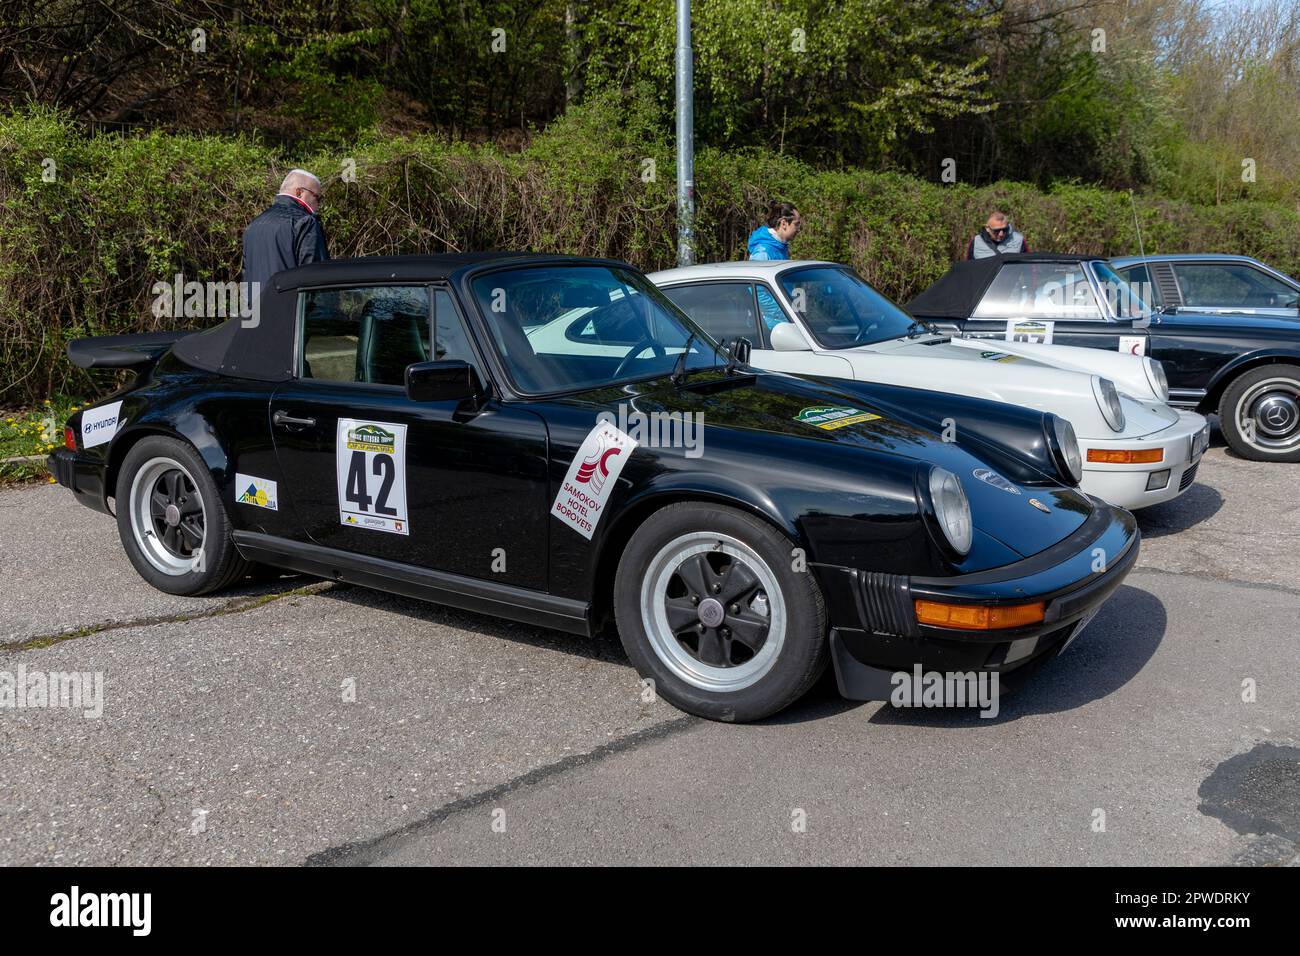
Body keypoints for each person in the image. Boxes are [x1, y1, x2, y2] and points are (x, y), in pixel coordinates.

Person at [241, 169, 330, 293]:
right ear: (299, 192)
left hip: (256, 309)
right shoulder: (305, 222)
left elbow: (246, 277)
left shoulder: (253, 225)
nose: (318, 205)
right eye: (317, 198)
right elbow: (315, 276)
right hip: (289, 308)